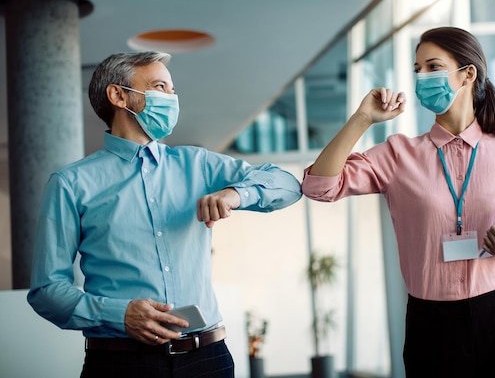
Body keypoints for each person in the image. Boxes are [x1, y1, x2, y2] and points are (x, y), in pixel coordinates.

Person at [27, 51, 302, 378]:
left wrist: (236, 194)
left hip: (208, 359)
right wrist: (120, 314)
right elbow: (47, 290)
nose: (171, 99)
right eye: (160, 87)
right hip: (120, 365)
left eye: (172, 91)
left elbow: (288, 185)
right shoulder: (70, 184)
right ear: (118, 95)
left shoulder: (197, 164)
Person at [301, 26, 495, 377]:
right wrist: (363, 119)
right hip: (432, 324)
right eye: (418, 69)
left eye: (433, 67)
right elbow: (318, 186)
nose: (422, 77)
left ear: (467, 73)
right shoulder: (398, 155)